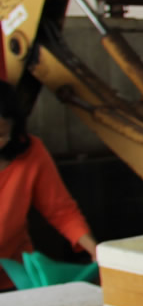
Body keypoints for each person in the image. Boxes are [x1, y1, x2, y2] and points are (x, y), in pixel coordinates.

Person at [0, 81, 97, 289]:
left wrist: (95, 250)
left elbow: (61, 210)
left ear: (14, 127)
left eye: (1, 135)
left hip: (16, 278)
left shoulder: (31, 152)